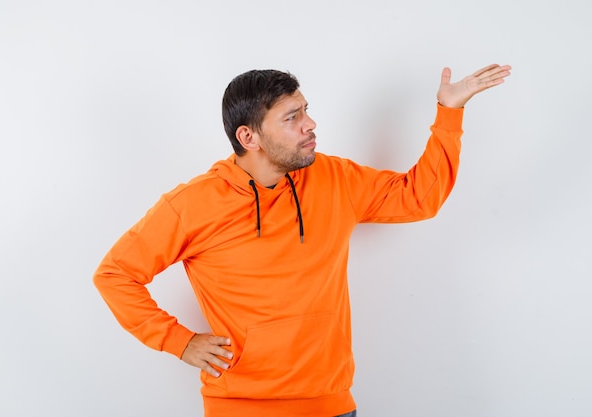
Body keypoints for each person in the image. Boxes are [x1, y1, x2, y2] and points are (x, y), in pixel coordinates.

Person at [93, 63, 511, 417]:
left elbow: (418, 198)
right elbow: (115, 275)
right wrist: (179, 342)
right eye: (292, 117)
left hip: (331, 405)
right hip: (240, 407)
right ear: (248, 138)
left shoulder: (334, 179)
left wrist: (449, 112)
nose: (310, 124)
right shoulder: (194, 204)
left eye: (306, 111)